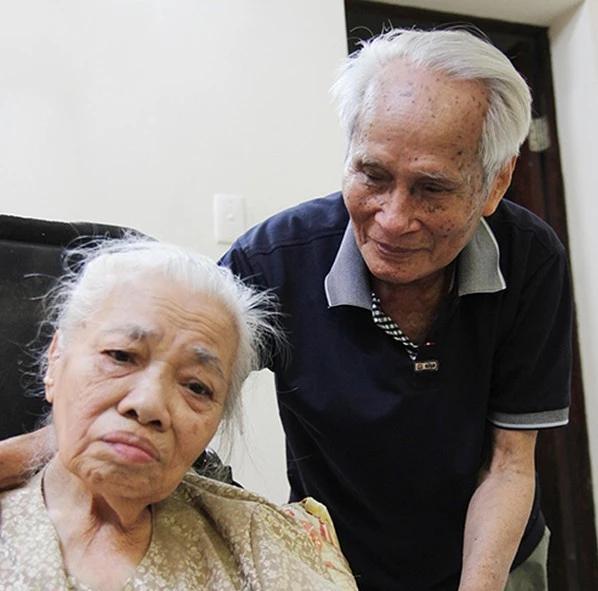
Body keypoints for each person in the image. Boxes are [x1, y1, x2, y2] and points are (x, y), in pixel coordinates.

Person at [219, 29, 571, 591]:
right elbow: (169, 392)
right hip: (333, 565)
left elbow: (509, 463)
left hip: (492, 557)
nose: (392, 219)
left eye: (432, 188)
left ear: (495, 183)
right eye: (373, 175)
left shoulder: (531, 258)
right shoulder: (272, 262)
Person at [0, 239, 357, 590]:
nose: (149, 405)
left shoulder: (263, 543)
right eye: (121, 356)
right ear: (56, 361)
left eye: (197, 387)